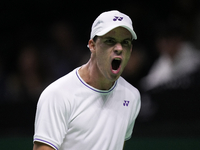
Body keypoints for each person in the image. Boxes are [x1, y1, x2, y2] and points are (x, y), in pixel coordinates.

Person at [33, 10, 141, 150]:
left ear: (130, 49)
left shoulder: (132, 96)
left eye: (125, 42)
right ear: (92, 45)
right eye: (110, 41)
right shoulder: (57, 95)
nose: (119, 48)